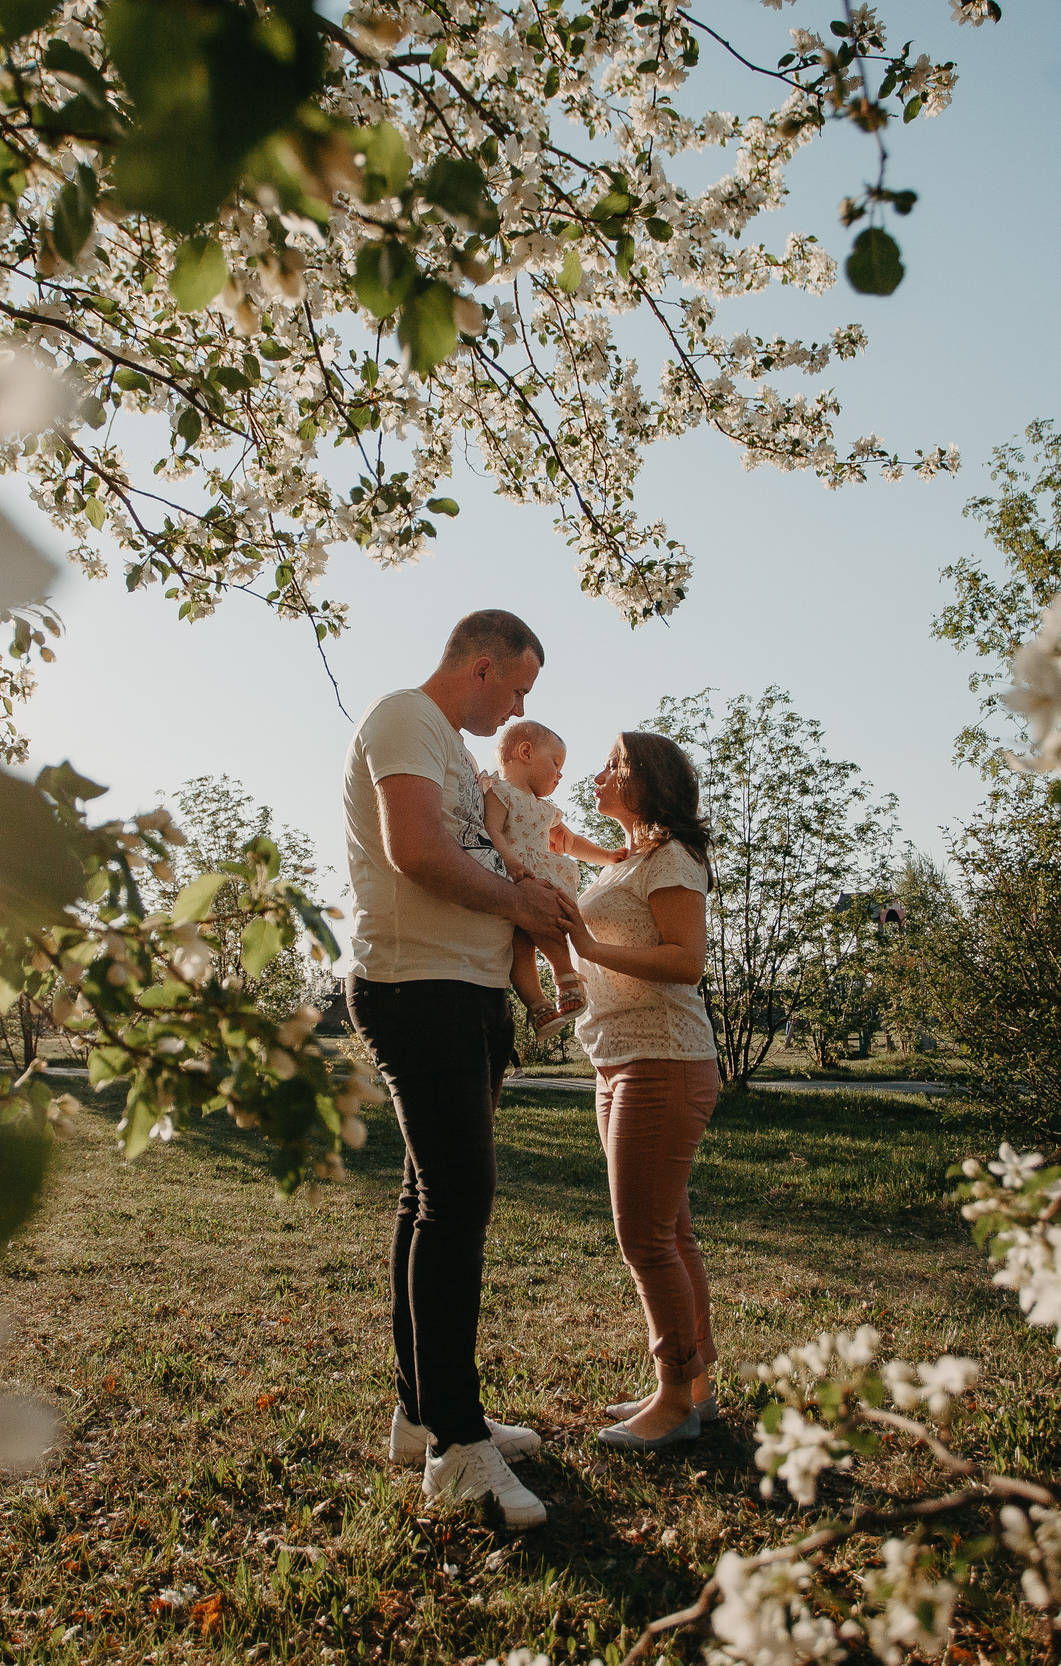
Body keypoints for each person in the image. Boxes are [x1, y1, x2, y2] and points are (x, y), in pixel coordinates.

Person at [341, 609, 577, 1530]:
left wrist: (525, 902)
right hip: (416, 986)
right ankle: (457, 1447)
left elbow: (471, 845)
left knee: (425, 1195)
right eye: (517, 689)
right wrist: (520, 898)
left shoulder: (449, 746)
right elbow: (419, 851)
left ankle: (420, 1413)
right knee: (458, 1199)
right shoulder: (405, 718)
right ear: (482, 668)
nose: (520, 707)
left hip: (471, 990)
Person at [564, 731, 720, 1450]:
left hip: (663, 1059)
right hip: (619, 1058)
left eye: (614, 765)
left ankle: (673, 1402)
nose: (599, 774)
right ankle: (695, 1386)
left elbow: (685, 960)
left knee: (645, 1237)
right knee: (672, 1234)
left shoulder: (673, 859)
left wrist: (590, 949)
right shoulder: (626, 861)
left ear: (646, 781)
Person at [480, 719, 627, 1031]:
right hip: (513, 878)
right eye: (556, 763)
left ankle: (565, 978)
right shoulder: (500, 792)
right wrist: (511, 862)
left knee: (552, 927)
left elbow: (570, 842)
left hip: (539, 878)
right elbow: (493, 830)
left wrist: (605, 856)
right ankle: (538, 1005)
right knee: (519, 948)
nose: (560, 774)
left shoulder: (544, 809)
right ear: (526, 752)